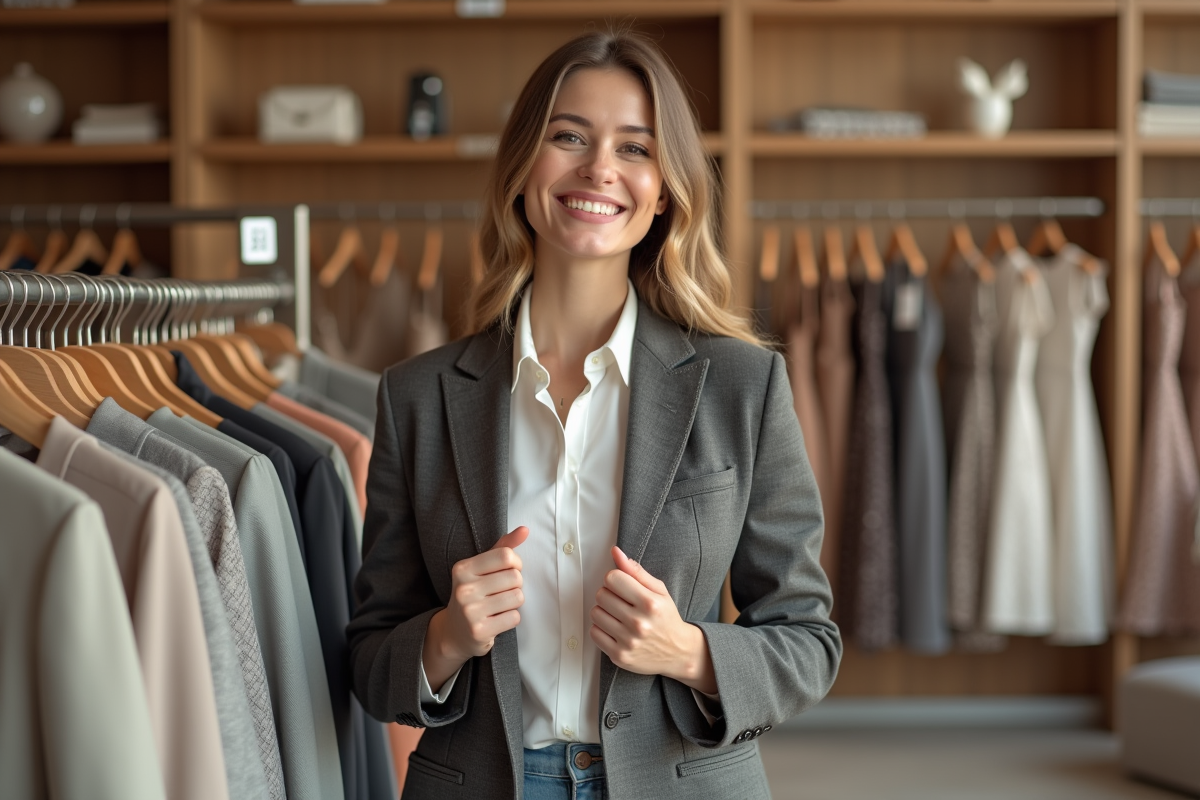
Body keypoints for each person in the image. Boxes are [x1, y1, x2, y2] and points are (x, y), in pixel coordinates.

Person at [347, 30, 841, 800]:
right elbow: (370, 662)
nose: (599, 168)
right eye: (568, 136)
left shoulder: (745, 385)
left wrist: (688, 651)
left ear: (667, 190)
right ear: (521, 168)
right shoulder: (417, 396)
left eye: (635, 148)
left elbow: (808, 641)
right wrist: (445, 637)